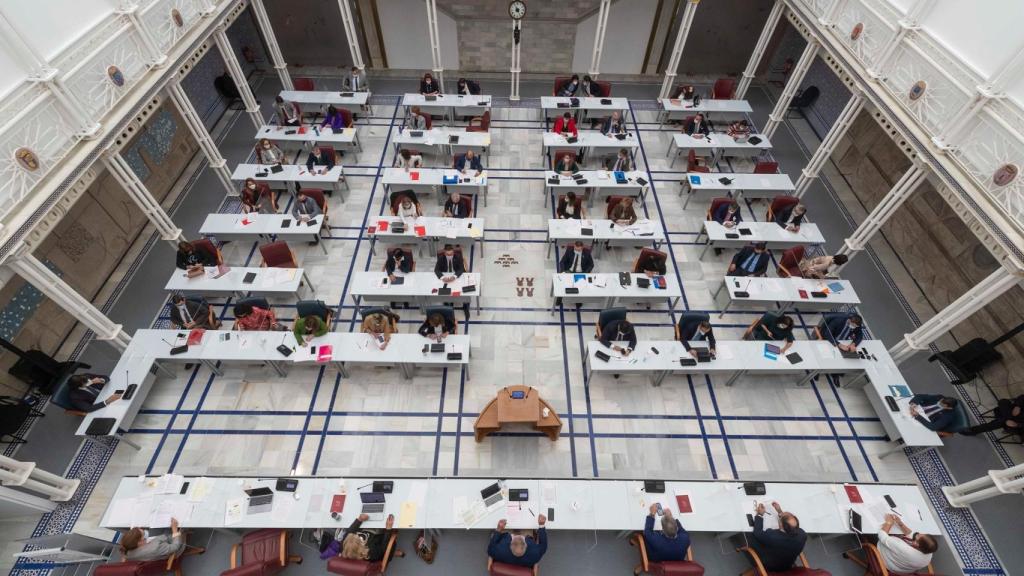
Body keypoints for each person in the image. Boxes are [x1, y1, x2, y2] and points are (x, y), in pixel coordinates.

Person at [748, 502, 806, 573]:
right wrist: (780, 511)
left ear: (781, 525)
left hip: (769, 565)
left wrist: (759, 514)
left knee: (752, 535)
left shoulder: (773, 537)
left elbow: (757, 533)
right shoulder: (802, 534)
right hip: (787, 565)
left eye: (781, 517)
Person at [120, 518, 197, 562]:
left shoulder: (127, 550)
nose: (144, 532)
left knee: (156, 521)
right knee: (181, 520)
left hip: (156, 543)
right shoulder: (155, 548)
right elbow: (175, 547)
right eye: (143, 535)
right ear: (140, 543)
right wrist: (174, 529)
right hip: (173, 546)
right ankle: (188, 528)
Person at [338, 513, 403, 563]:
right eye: (358, 538)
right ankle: (393, 553)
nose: (357, 535)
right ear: (360, 545)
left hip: (368, 534)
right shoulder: (370, 553)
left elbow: (349, 532)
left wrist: (359, 520)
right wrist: (388, 529)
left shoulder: (344, 545)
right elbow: (384, 547)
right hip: (377, 538)